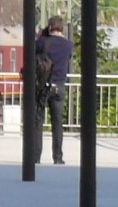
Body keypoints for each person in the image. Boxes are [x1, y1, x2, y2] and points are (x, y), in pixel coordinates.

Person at [35, 15, 73, 165]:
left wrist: (41, 35)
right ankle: (57, 157)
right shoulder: (68, 45)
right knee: (57, 123)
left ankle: (36, 156)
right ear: (61, 28)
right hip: (59, 86)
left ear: (50, 27)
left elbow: (33, 53)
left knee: (38, 121)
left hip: (43, 86)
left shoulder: (42, 42)